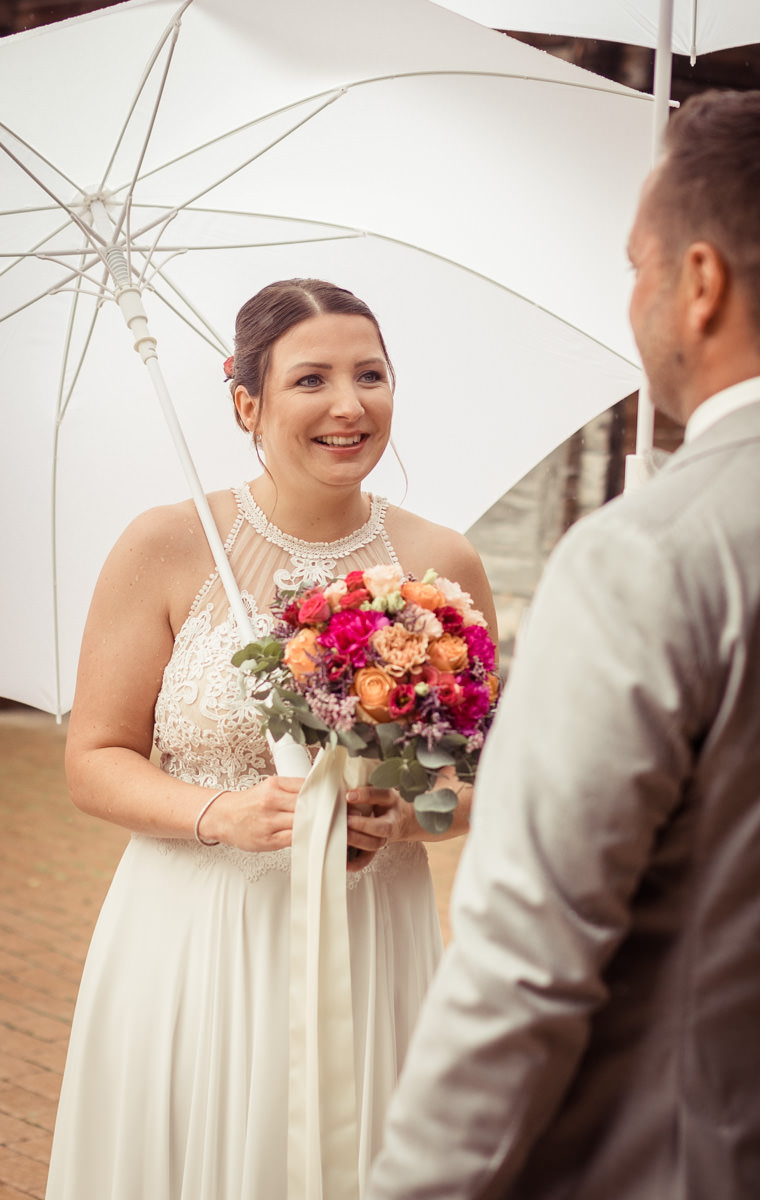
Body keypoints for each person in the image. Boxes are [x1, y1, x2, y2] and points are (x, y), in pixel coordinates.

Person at [366, 88, 760, 1200]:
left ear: (699, 284)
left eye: (636, 263)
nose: (633, 298)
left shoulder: (645, 558)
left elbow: (524, 966)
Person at [45, 278, 497, 1199]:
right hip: (194, 935)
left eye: (371, 375)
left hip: (368, 941)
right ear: (247, 403)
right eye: (311, 380)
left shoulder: (440, 563)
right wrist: (224, 813)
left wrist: (410, 819)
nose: (348, 405)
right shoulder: (164, 546)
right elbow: (94, 761)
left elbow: (491, 782)